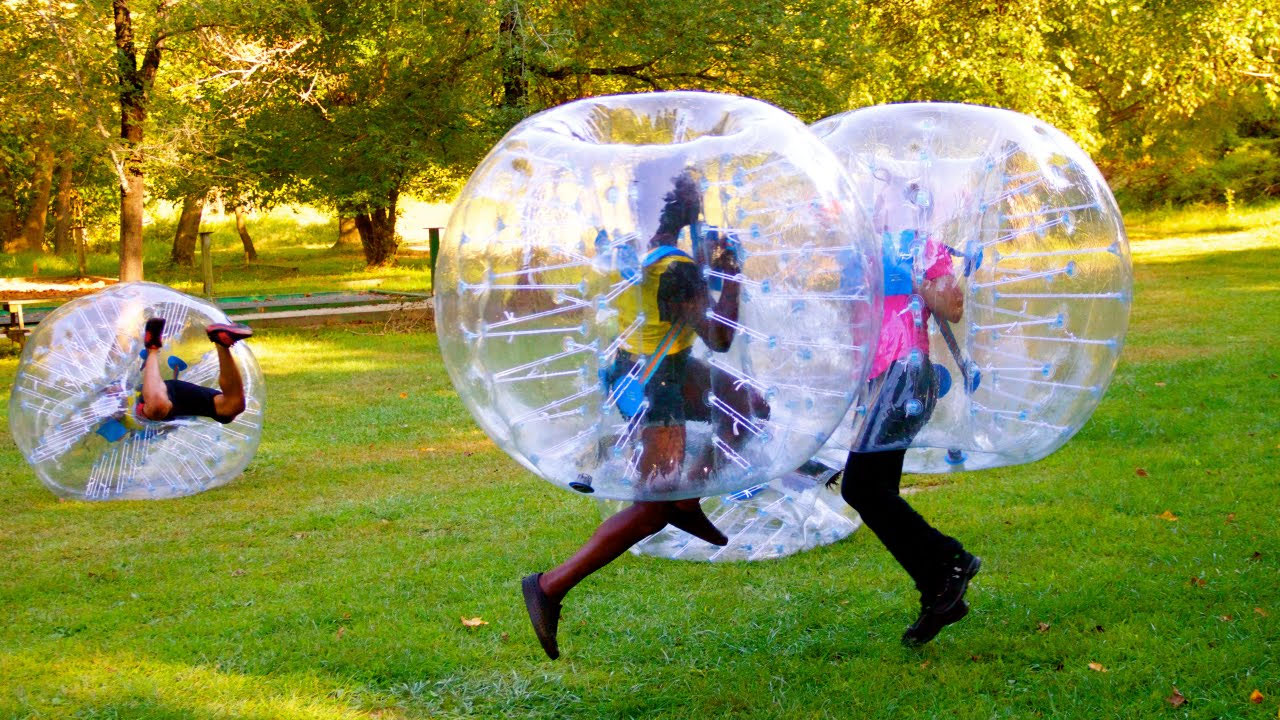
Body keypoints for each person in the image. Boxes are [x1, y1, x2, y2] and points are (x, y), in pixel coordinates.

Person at [522, 170, 767, 660]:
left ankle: (688, 499)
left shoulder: (639, 250)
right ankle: (549, 587)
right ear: (689, 212)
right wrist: (732, 276)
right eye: (699, 206)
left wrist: (704, 269)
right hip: (656, 383)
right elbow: (719, 338)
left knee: (748, 405)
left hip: (646, 363)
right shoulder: (677, 270)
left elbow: (660, 312)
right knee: (651, 504)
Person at [834, 173, 980, 646]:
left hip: (907, 373)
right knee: (876, 490)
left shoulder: (923, 246)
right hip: (879, 379)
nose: (877, 204)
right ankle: (940, 589)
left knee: (862, 487)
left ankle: (949, 559)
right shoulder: (860, 250)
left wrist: (915, 275)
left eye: (884, 197)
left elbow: (953, 307)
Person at [136, 317, 254, 424]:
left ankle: (152, 347)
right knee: (233, 406)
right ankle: (221, 342)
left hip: (158, 400)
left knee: (157, 407)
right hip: (171, 402)